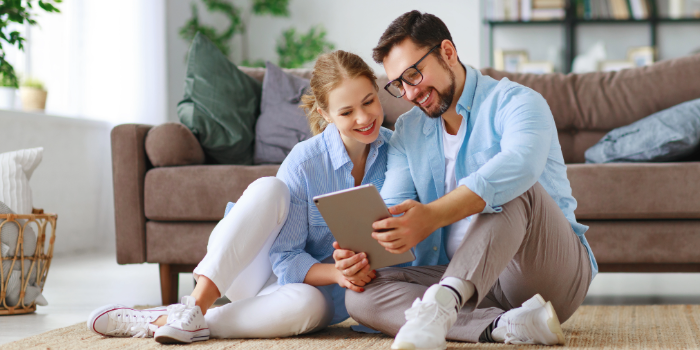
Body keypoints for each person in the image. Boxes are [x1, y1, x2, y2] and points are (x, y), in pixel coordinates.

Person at [86, 50, 392, 344]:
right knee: (269, 188)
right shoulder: (305, 161)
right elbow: (285, 259)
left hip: (309, 294)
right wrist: (336, 272)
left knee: (309, 307)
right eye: (347, 111)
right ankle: (197, 303)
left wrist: (344, 276)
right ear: (325, 113)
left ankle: (174, 320)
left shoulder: (396, 151)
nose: (364, 117)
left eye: (369, 101)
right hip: (248, 265)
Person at [342, 11, 598, 348]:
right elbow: (393, 207)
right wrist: (364, 253)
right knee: (360, 296)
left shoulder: (519, 102)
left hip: (542, 272)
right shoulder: (408, 130)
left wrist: (432, 215)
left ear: (447, 52)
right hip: (470, 281)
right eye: (398, 85)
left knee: (514, 187)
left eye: (413, 75)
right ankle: (501, 326)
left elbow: (520, 165)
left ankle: (440, 309)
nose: (410, 93)